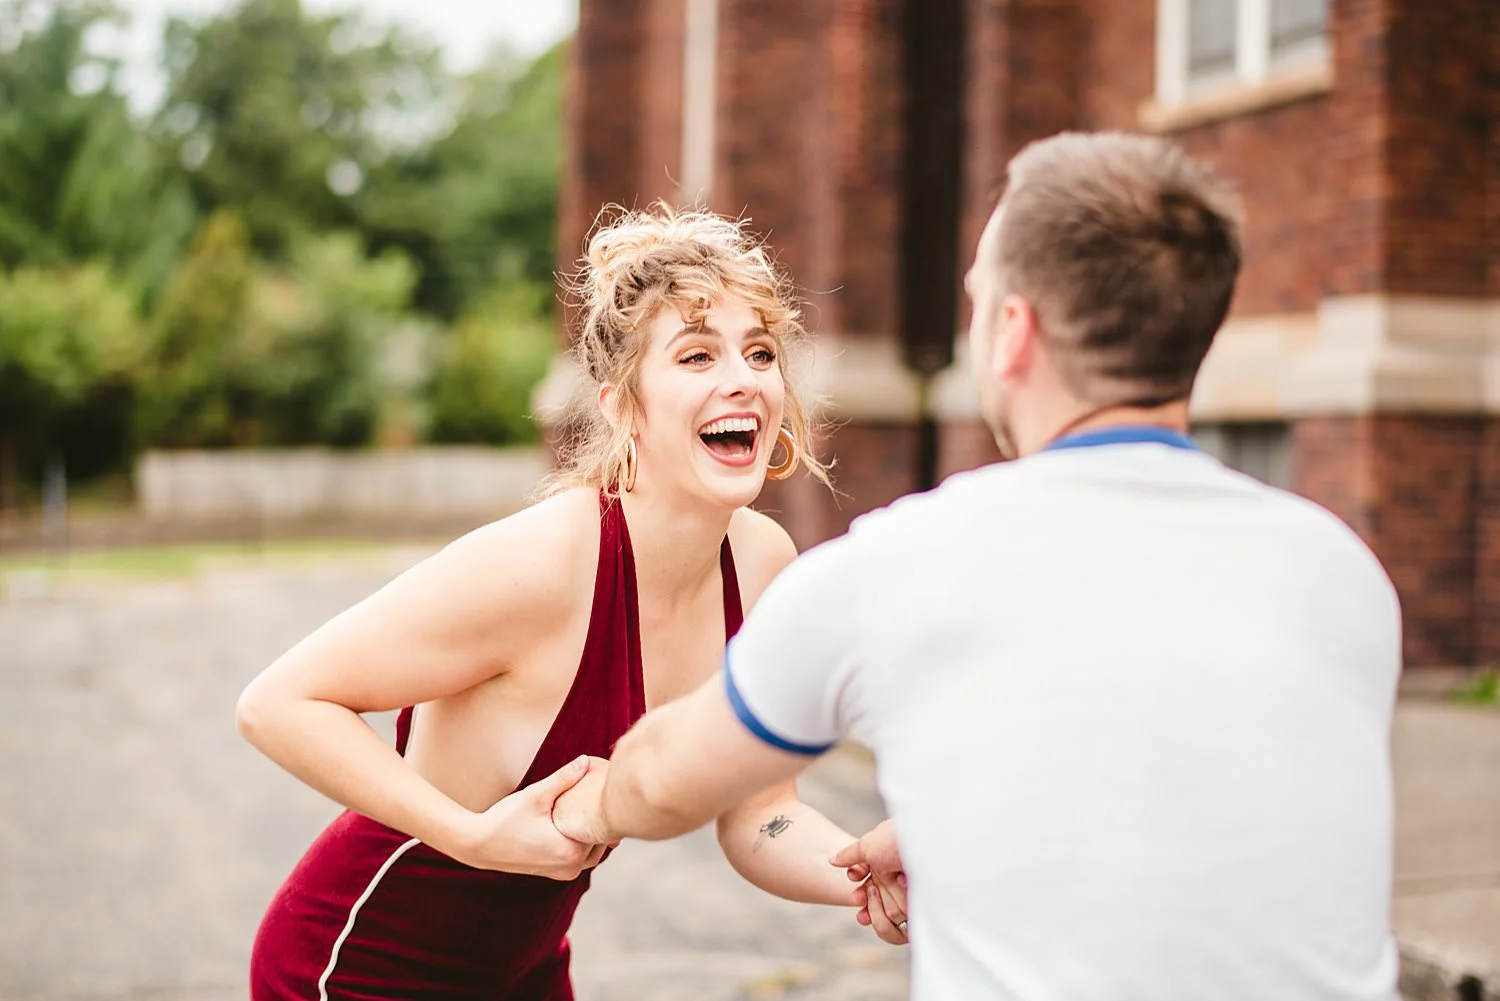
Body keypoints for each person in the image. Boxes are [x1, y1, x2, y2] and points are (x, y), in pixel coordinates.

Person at [552, 131, 1405, 1001]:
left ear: (1012, 330)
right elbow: (1187, 781)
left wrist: (585, 804)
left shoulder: (902, 565)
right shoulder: (1341, 571)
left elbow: (664, 780)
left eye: (977, 296)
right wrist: (957, 830)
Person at [236, 203, 903, 1001]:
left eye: (759, 352)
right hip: (361, 966)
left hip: (525, 970)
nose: (743, 379)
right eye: (696, 356)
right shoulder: (549, 560)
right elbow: (278, 702)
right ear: (625, 407)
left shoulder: (760, 563)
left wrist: (861, 870)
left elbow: (759, 812)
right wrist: (474, 837)